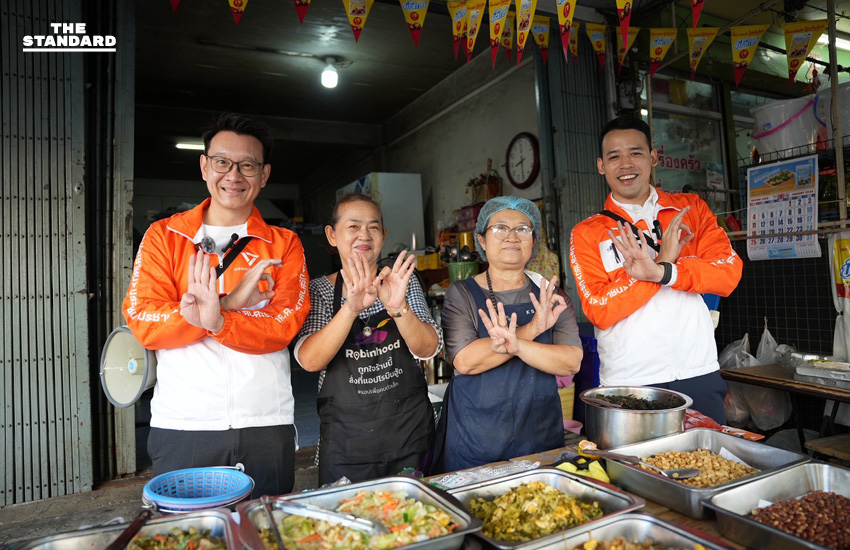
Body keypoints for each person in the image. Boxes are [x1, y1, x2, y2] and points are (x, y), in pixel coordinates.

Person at [123, 113, 310, 498]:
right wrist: (229, 304)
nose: (234, 175)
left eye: (248, 165)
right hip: (184, 422)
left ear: (265, 174)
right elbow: (144, 319)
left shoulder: (284, 244)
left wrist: (216, 319)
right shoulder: (165, 236)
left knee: (266, 533)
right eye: (223, 162)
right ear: (205, 165)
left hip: (265, 420)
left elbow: (283, 326)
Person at [569, 116, 742, 423]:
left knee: (709, 468)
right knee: (632, 470)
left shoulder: (691, 210)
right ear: (601, 166)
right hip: (629, 379)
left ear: (653, 157)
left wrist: (666, 272)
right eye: (614, 157)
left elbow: (727, 275)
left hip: (697, 370)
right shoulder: (588, 232)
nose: (626, 164)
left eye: (635, 153)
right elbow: (599, 308)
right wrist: (661, 265)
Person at [294, 193, 441, 485]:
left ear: (383, 236)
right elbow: (310, 360)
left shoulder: (403, 281)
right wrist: (350, 309)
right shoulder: (320, 290)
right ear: (332, 235)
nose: (364, 234)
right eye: (353, 226)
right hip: (347, 443)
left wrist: (397, 306)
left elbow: (428, 349)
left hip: (410, 436)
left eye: (373, 227)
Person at [436, 196, 583, 473]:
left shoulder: (552, 295)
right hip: (476, 437)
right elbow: (466, 361)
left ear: (533, 240)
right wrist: (532, 331)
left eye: (522, 229)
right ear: (481, 239)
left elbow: (570, 362)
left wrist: (514, 345)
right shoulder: (462, 294)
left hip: (539, 434)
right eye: (500, 228)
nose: (511, 237)